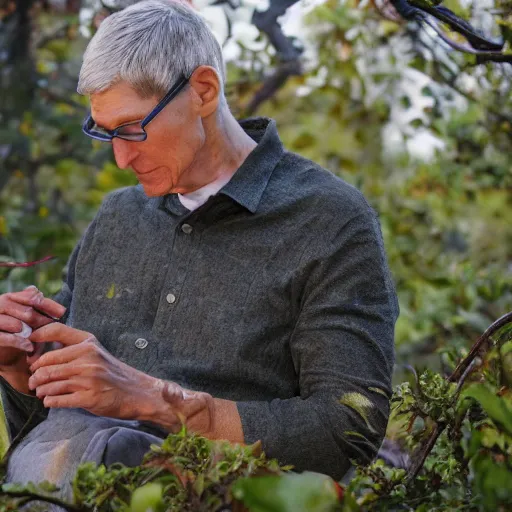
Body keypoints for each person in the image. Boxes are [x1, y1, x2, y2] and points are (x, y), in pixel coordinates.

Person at [0, 0, 399, 494]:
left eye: (132, 129)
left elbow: (347, 430)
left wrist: (158, 400)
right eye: (106, 135)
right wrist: (21, 370)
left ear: (203, 91)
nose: (122, 158)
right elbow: (48, 427)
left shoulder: (329, 220)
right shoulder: (116, 219)